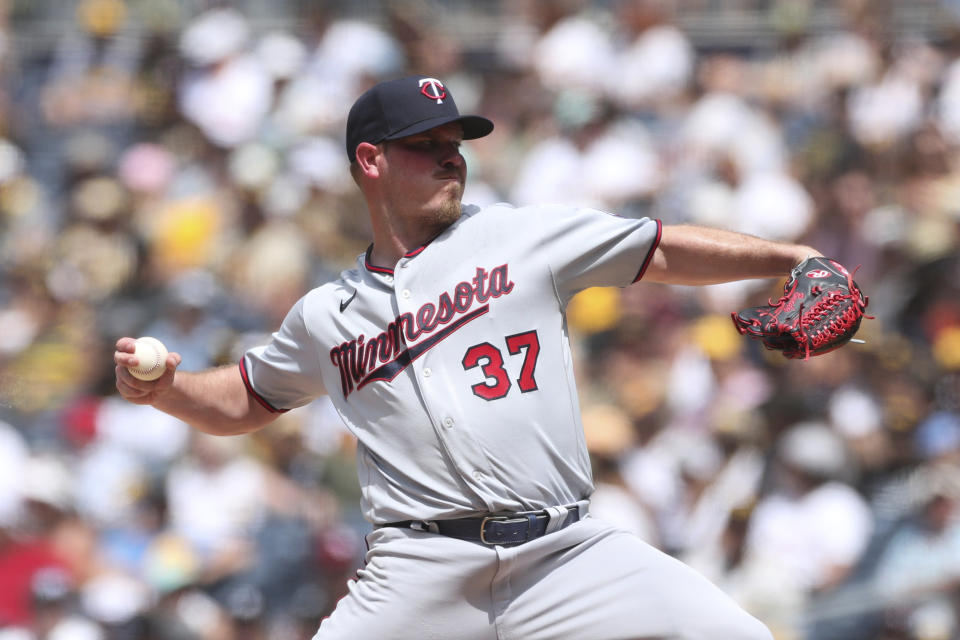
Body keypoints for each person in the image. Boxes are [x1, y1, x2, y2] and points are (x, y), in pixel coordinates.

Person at [115, 74, 822, 640]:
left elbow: (657, 246)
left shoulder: (519, 235)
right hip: (421, 569)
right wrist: (167, 392)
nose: (452, 155)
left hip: (565, 552)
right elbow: (245, 399)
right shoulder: (324, 316)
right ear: (372, 160)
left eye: (457, 141)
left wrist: (788, 256)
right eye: (426, 143)